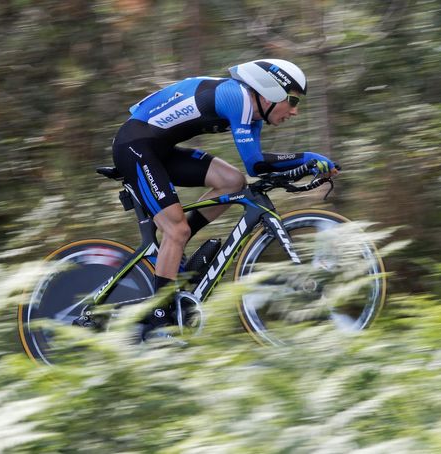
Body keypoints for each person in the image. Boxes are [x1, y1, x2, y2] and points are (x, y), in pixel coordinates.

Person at [81, 59, 339, 337]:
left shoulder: (253, 113)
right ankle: (159, 315)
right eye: (292, 100)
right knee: (175, 229)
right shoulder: (236, 97)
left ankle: (176, 251)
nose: (295, 111)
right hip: (134, 146)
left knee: (232, 182)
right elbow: (257, 163)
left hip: (159, 149)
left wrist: (299, 168)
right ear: (269, 91)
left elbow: (254, 169)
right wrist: (309, 159)